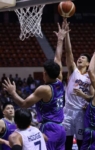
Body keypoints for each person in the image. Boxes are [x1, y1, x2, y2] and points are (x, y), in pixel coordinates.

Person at [2, 22, 69, 150]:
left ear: (46, 74)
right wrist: (60, 40)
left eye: (44, 72)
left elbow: (24, 104)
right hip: (61, 128)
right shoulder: (60, 80)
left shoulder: (44, 89)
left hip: (50, 128)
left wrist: (13, 92)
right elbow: (58, 59)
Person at [63, 19, 95, 150]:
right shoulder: (73, 71)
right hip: (67, 111)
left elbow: (93, 97)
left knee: (81, 144)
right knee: (67, 143)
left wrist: (83, 95)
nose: (80, 58)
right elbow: (69, 52)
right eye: (79, 57)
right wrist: (66, 35)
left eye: (83, 58)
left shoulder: (90, 77)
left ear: (88, 63)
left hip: (81, 112)